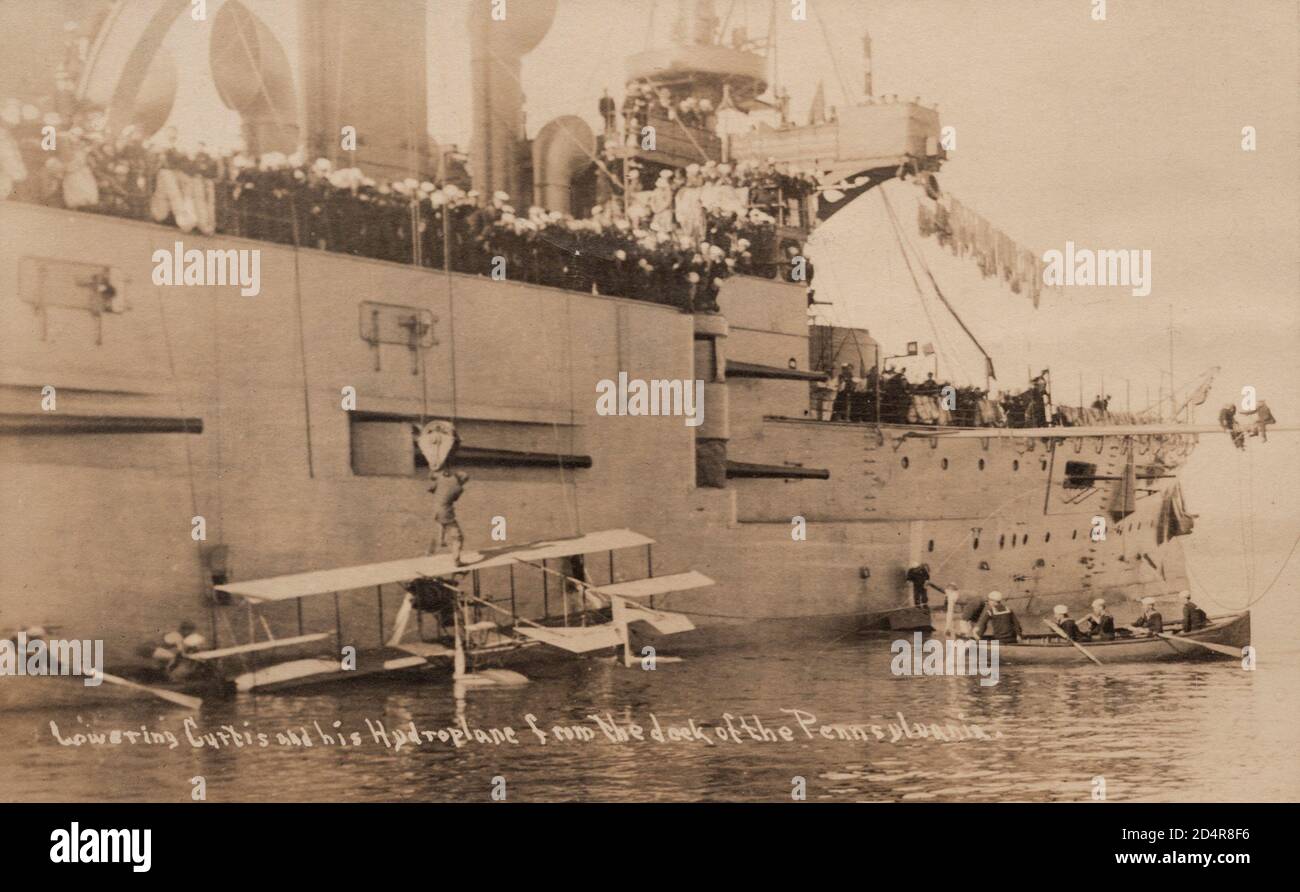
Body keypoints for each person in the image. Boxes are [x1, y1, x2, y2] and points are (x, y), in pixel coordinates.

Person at [427, 466, 470, 564]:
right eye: (465, 481)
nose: (465, 483)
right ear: (462, 480)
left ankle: (440, 542)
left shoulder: (442, 479)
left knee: (441, 524)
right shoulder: (459, 488)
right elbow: (454, 499)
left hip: (435, 510)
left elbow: (430, 488)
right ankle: (457, 561)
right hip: (446, 512)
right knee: (458, 538)